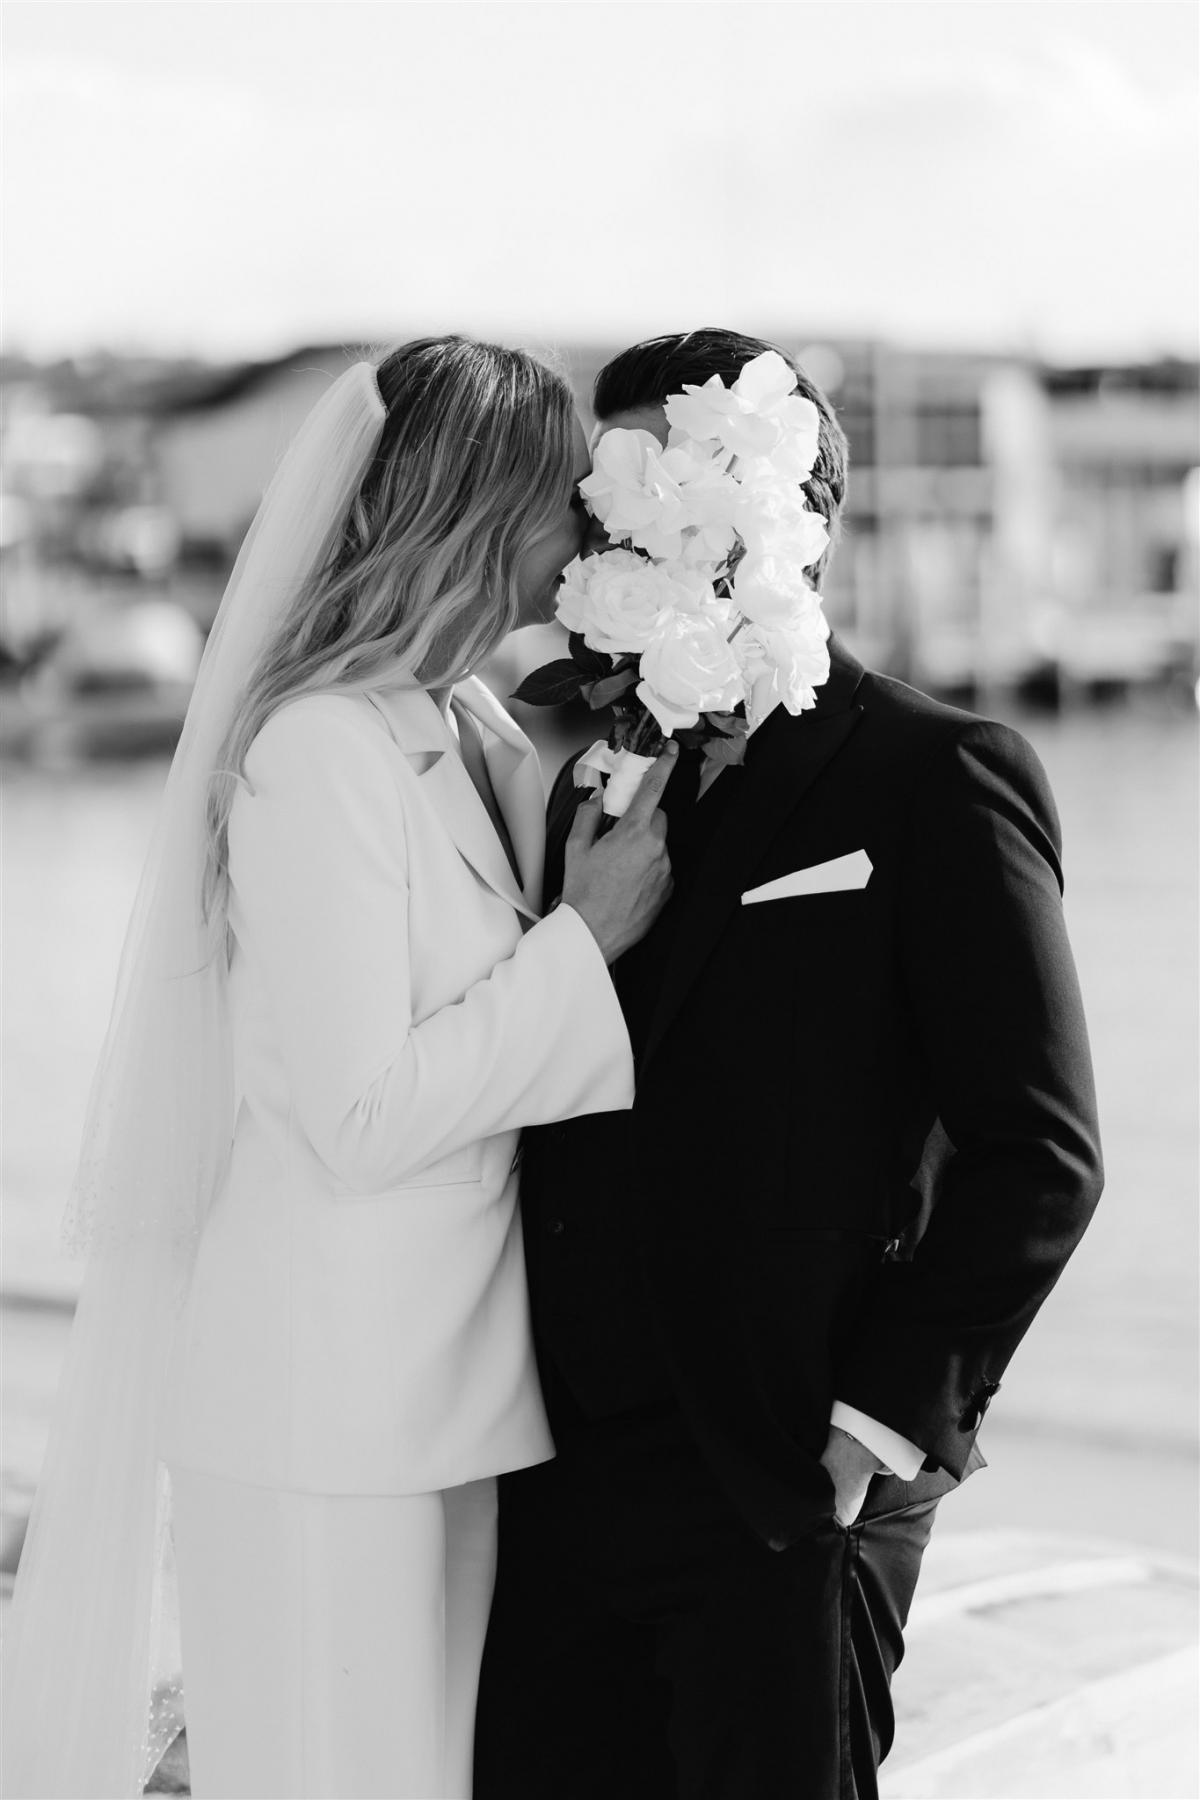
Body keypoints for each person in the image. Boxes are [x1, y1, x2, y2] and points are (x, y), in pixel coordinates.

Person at [0, 337, 676, 1800]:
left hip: (436, 1398)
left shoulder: (443, 718)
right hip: (322, 1419)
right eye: (564, 500)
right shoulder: (314, 751)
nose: (587, 531)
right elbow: (360, 1112)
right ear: (481, 510)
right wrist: (586, 944)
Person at [474, 327, 1104, 1800]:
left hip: (785, 1480)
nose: (619, 533)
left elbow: (1041, 1155)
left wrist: (865, 1436)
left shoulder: (937, 775)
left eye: (662, 498)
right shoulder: (586, 776)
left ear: (777, 516)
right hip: (559, 1474)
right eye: (607, 504)